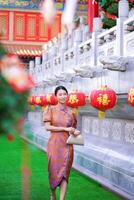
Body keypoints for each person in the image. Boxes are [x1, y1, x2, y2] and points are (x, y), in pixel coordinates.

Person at [43, 86, 80, 200]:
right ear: (56, 96)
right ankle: (53, 194)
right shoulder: (50, 109)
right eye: (60, 94)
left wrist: (75, 132)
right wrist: (65, 129)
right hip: (54, 144)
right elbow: (47, 127)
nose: (63, 96)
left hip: (67, 146)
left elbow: (73, 129)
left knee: (65, 172)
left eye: (65, 94)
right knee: (53, 171)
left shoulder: (71, 112)